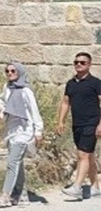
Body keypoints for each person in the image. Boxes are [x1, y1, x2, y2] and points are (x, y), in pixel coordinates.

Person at [0, 62, 44, 207]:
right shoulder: (7, 87)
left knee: (12, 163)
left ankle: (5, 195)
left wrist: (38, 131)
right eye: (7, 71)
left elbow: (34, 111)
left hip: (24, 131)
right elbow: (2, 99)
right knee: (18, 164)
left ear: (19, 72)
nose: (9, 73)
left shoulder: (26, 91)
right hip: (11, 131)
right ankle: (21, 196)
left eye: (13, 71)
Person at [56, 52, 101, 200]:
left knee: (82, 155)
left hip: (92, 123)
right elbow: (65, 102)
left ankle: (77, 188)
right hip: (77, 124)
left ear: (89, 64)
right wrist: (61, 121)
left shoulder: (96, 83)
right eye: (76, 62)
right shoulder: (71, 83)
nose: (79, 65)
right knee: (89, 155)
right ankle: (95, 187)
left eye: (82, 62)